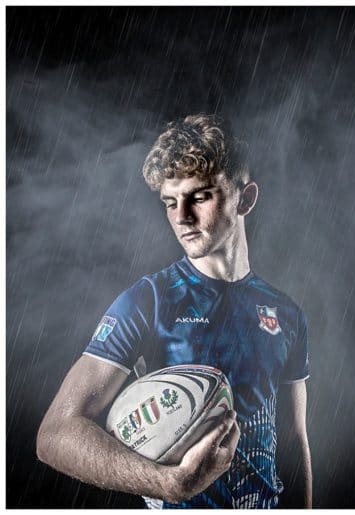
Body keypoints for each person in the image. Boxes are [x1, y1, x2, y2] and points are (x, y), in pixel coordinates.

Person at [36, 114, 313, 509]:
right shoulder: (149, 300)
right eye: (170, 201)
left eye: (199, 197)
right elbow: (55, 434)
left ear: (245, 199)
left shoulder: (286, 314)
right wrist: (168, 484)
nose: (181, 216)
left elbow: (293, 441)